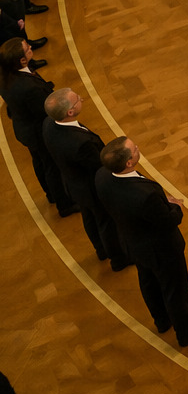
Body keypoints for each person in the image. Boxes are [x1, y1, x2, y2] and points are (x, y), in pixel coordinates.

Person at [94, 137, 188, 346]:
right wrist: (176, 206)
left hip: (133, 242)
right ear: (128, 162)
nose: (138, 148)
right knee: (175, 289)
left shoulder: (102, 176)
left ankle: (162, 320)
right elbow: (168, 222)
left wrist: (159, 205)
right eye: (134, 149)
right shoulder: (144, 195)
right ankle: (187, 332)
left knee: (148, 281)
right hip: (160, 249)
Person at [41, 89, 127, 267]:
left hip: (73, 184)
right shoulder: (81, 143)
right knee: (105, 221)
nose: (81, 99)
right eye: (77, 100)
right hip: (90, 187)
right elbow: (99, 165)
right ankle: (118, 259)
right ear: (70, 112)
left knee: (89, 216)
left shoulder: (49, 123)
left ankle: (101, 250)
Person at [1, 42, 65, 213]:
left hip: (24, 127)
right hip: (37, 131)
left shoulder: (7, 75)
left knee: (39, 161)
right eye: (27, 48)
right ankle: (64, 203)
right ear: (22, 60)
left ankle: (51, 194)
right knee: (51, 165)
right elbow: (44, 110)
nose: (31, 47)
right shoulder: (29, 87)